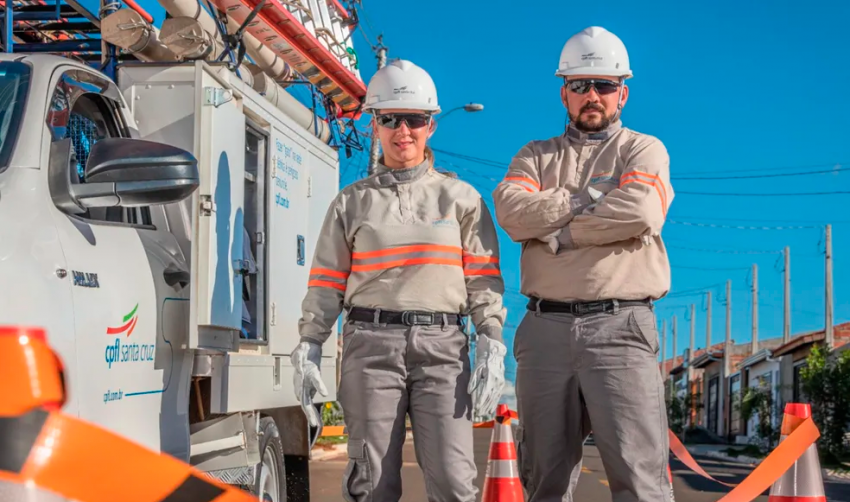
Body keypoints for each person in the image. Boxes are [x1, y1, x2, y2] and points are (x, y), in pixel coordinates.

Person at [290, 59, 508, 502]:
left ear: (431, 125)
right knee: (372, 483)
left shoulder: (462, 199)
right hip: (371, 348)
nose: (402, 131)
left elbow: (483, 280)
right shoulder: (351, 203)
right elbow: (326, 282)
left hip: (443, 351)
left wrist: (491, 338)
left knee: (453, 481)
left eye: (414, 119)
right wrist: (310, 342)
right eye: (390, 119)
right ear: (374, 124)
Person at [492, 26, 675, 502]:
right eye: (580, 85)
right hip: (544, 331)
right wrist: (587, 198)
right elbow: (511, 213)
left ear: (623, 93)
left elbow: (640, 211)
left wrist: (560, 233)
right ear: (564, 93)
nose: (592, 95)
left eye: (604, 85)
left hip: (621, 328)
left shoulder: (643, 149)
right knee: (544, 482)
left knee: (639, 482)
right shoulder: (534, 155)